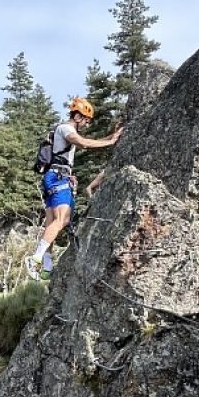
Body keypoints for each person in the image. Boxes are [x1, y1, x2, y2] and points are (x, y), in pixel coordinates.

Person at [25, 97, 123, 280]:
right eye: (86, 119)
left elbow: (86, 140)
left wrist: (112, 137)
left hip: (52, 178)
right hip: (58, 178)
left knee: (52, 223)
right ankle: (35, 258)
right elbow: (84, 143)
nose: (86, 123)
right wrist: (110, 142)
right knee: (62, 220)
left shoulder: (63, 130)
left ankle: (46, 265)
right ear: (77, 116)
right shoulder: (66, 129)